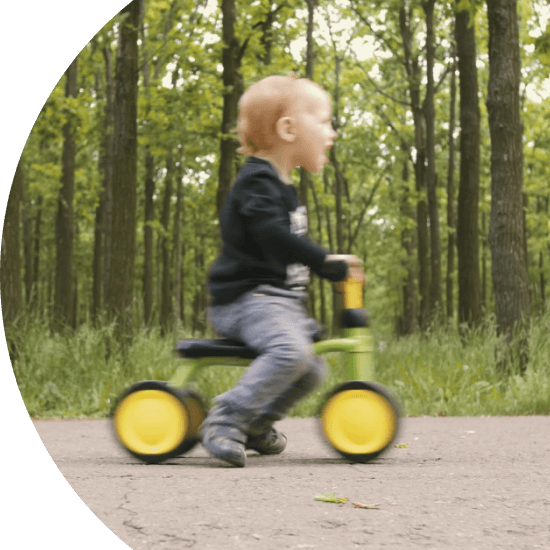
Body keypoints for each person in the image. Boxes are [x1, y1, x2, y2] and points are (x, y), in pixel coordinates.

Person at [201, 75, 363, 467]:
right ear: (288, 129)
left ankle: (257, 423)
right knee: (292, 352)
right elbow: (271, 235)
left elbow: (282, 245)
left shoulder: (282, 187)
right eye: (324, 122)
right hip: (245, 300)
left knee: (311, 369)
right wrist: (323, 261)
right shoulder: (257, 180)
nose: (332, 133)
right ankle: (226, 417)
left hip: (273, 302)